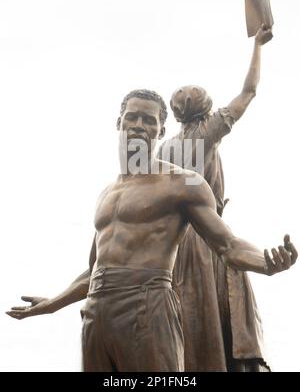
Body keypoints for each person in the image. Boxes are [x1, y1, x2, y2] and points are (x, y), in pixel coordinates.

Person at [6, 89, 297, 372]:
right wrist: (51, 304)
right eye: (132, 117)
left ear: (160, 131)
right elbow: (95, 270)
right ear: (118, 123)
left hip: (148, 305)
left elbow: (227, 245)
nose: (139, 125)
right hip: (97, 313)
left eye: (149, 120)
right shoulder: (107, 193)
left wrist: (265, 262)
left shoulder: (183, 183)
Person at [158, 25, 273, 371]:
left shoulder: (164, 150)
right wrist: (258, 45)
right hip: (210, 240)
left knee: (191, 322)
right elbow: (249, 91)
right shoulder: (206, 134)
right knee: (223, 320)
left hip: (175, 245)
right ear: (205, 110)